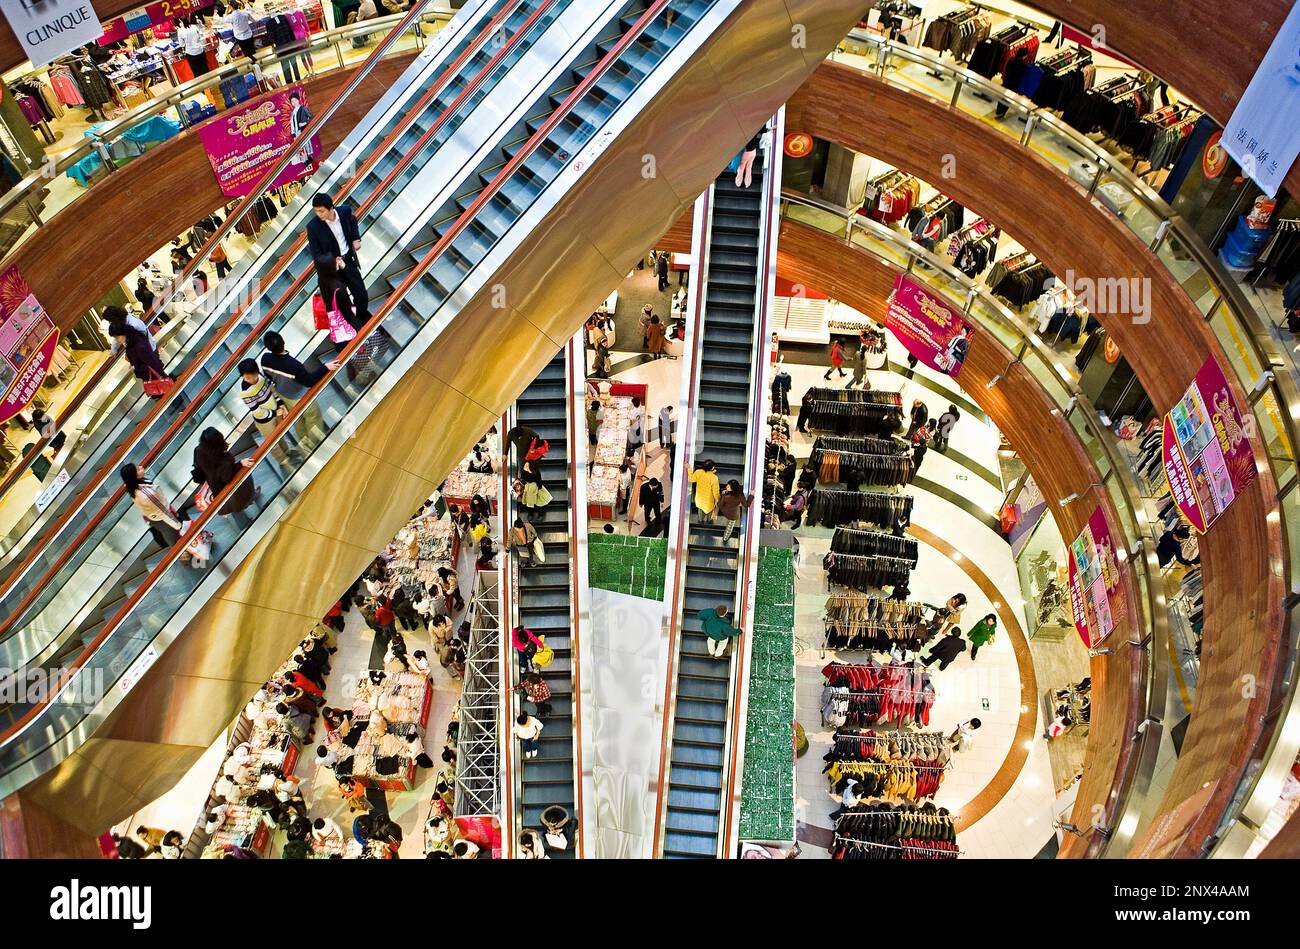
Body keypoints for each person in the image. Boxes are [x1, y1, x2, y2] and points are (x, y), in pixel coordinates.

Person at [306, 193, 369, 348]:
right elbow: (316, 253)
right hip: (331, 270)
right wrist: (332, 262)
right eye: (316, 211)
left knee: (361, 295)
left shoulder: (345, 211)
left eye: (321, 211)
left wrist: (356, 238)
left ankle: (359, 322)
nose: (318, 214)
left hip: (347, 261)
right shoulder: (313, 227)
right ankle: (350, 336)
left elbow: (353, 223)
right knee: (341, 304)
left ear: (331, 208)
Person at [260, 330, 332, 448]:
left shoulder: (265, 359)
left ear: (268, 348)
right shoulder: (293, 365)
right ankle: (315, 444)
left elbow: (268, 377)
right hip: (299, 395)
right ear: (283, 341)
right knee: (313, 416)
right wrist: (324, 367)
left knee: (298, 419)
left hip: (283, 394)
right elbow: (309, 381)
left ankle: (305, 444)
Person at [238, 359, 293, 465]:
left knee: (280, 434)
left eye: (252, 375)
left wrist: (280, 404)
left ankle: (287, 452)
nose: (250, 379)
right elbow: (257, 411)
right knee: (272, 442)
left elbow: (272, 390)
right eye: (246, 377)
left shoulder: (262, 376)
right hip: (265, 421)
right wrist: (274, 413)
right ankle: (282, 461)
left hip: (276, 410)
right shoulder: (245, 392)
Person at [192, 426, 257, 516]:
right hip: (229, 490)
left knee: (230, 503)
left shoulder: (198, 451)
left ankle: (240, 510)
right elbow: (227, 477)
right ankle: (250, 498)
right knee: (245, 475)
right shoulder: (223, 458)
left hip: (216, 490)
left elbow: (199, 471)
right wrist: (240, 464)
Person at [121, 463, 186, 548]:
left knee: (177, 542)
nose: (141, 466)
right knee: (180, 544)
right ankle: (195, 559)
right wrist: (178, 525)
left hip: (155, 518)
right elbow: (162, 512)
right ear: (134, 475)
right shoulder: (146, 494)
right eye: (138, 468)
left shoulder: (133, 487)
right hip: (165, 520)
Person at [109, 319, 171, 394]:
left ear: (123, 333)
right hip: (152, 377)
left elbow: (152, 362)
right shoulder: (133, 339)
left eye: (117, 337)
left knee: (165, 394)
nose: (117, 340)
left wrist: (137, 367)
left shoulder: (138, 344)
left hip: (154, 378)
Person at [717, 479, 754, 544]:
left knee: (729, 525)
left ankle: (725, 538)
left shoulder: (726, 496)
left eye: (728, 486)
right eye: (727, 485)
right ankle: (725, 539)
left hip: (726, 512)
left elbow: (720, 505)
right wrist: (751, 495)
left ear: (733, 489)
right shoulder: (740, 495)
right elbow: (746, 505)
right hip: (734, 515)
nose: (726, 487)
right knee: (730, 527)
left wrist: (722, 494)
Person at [178, 15, 209, 80]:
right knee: (205, 69)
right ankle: (211, 86)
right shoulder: (194, 27)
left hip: (191, 53)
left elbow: (182, 45)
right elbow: (200, 36)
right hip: (200, 50)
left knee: (196, 73)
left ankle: (201, 89)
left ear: (180, 21)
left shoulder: (180, 31)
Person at [689, 459, 720, 523]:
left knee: (700, 512)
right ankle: (709, 522)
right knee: (710, 514)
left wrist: (689, 468)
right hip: (709, 503)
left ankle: (700, 521)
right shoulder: (714, 478)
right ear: (712, 468)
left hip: (699, 501)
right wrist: (718, 499)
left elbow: (691, 479)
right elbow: (715, 492)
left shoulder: (698, 472)